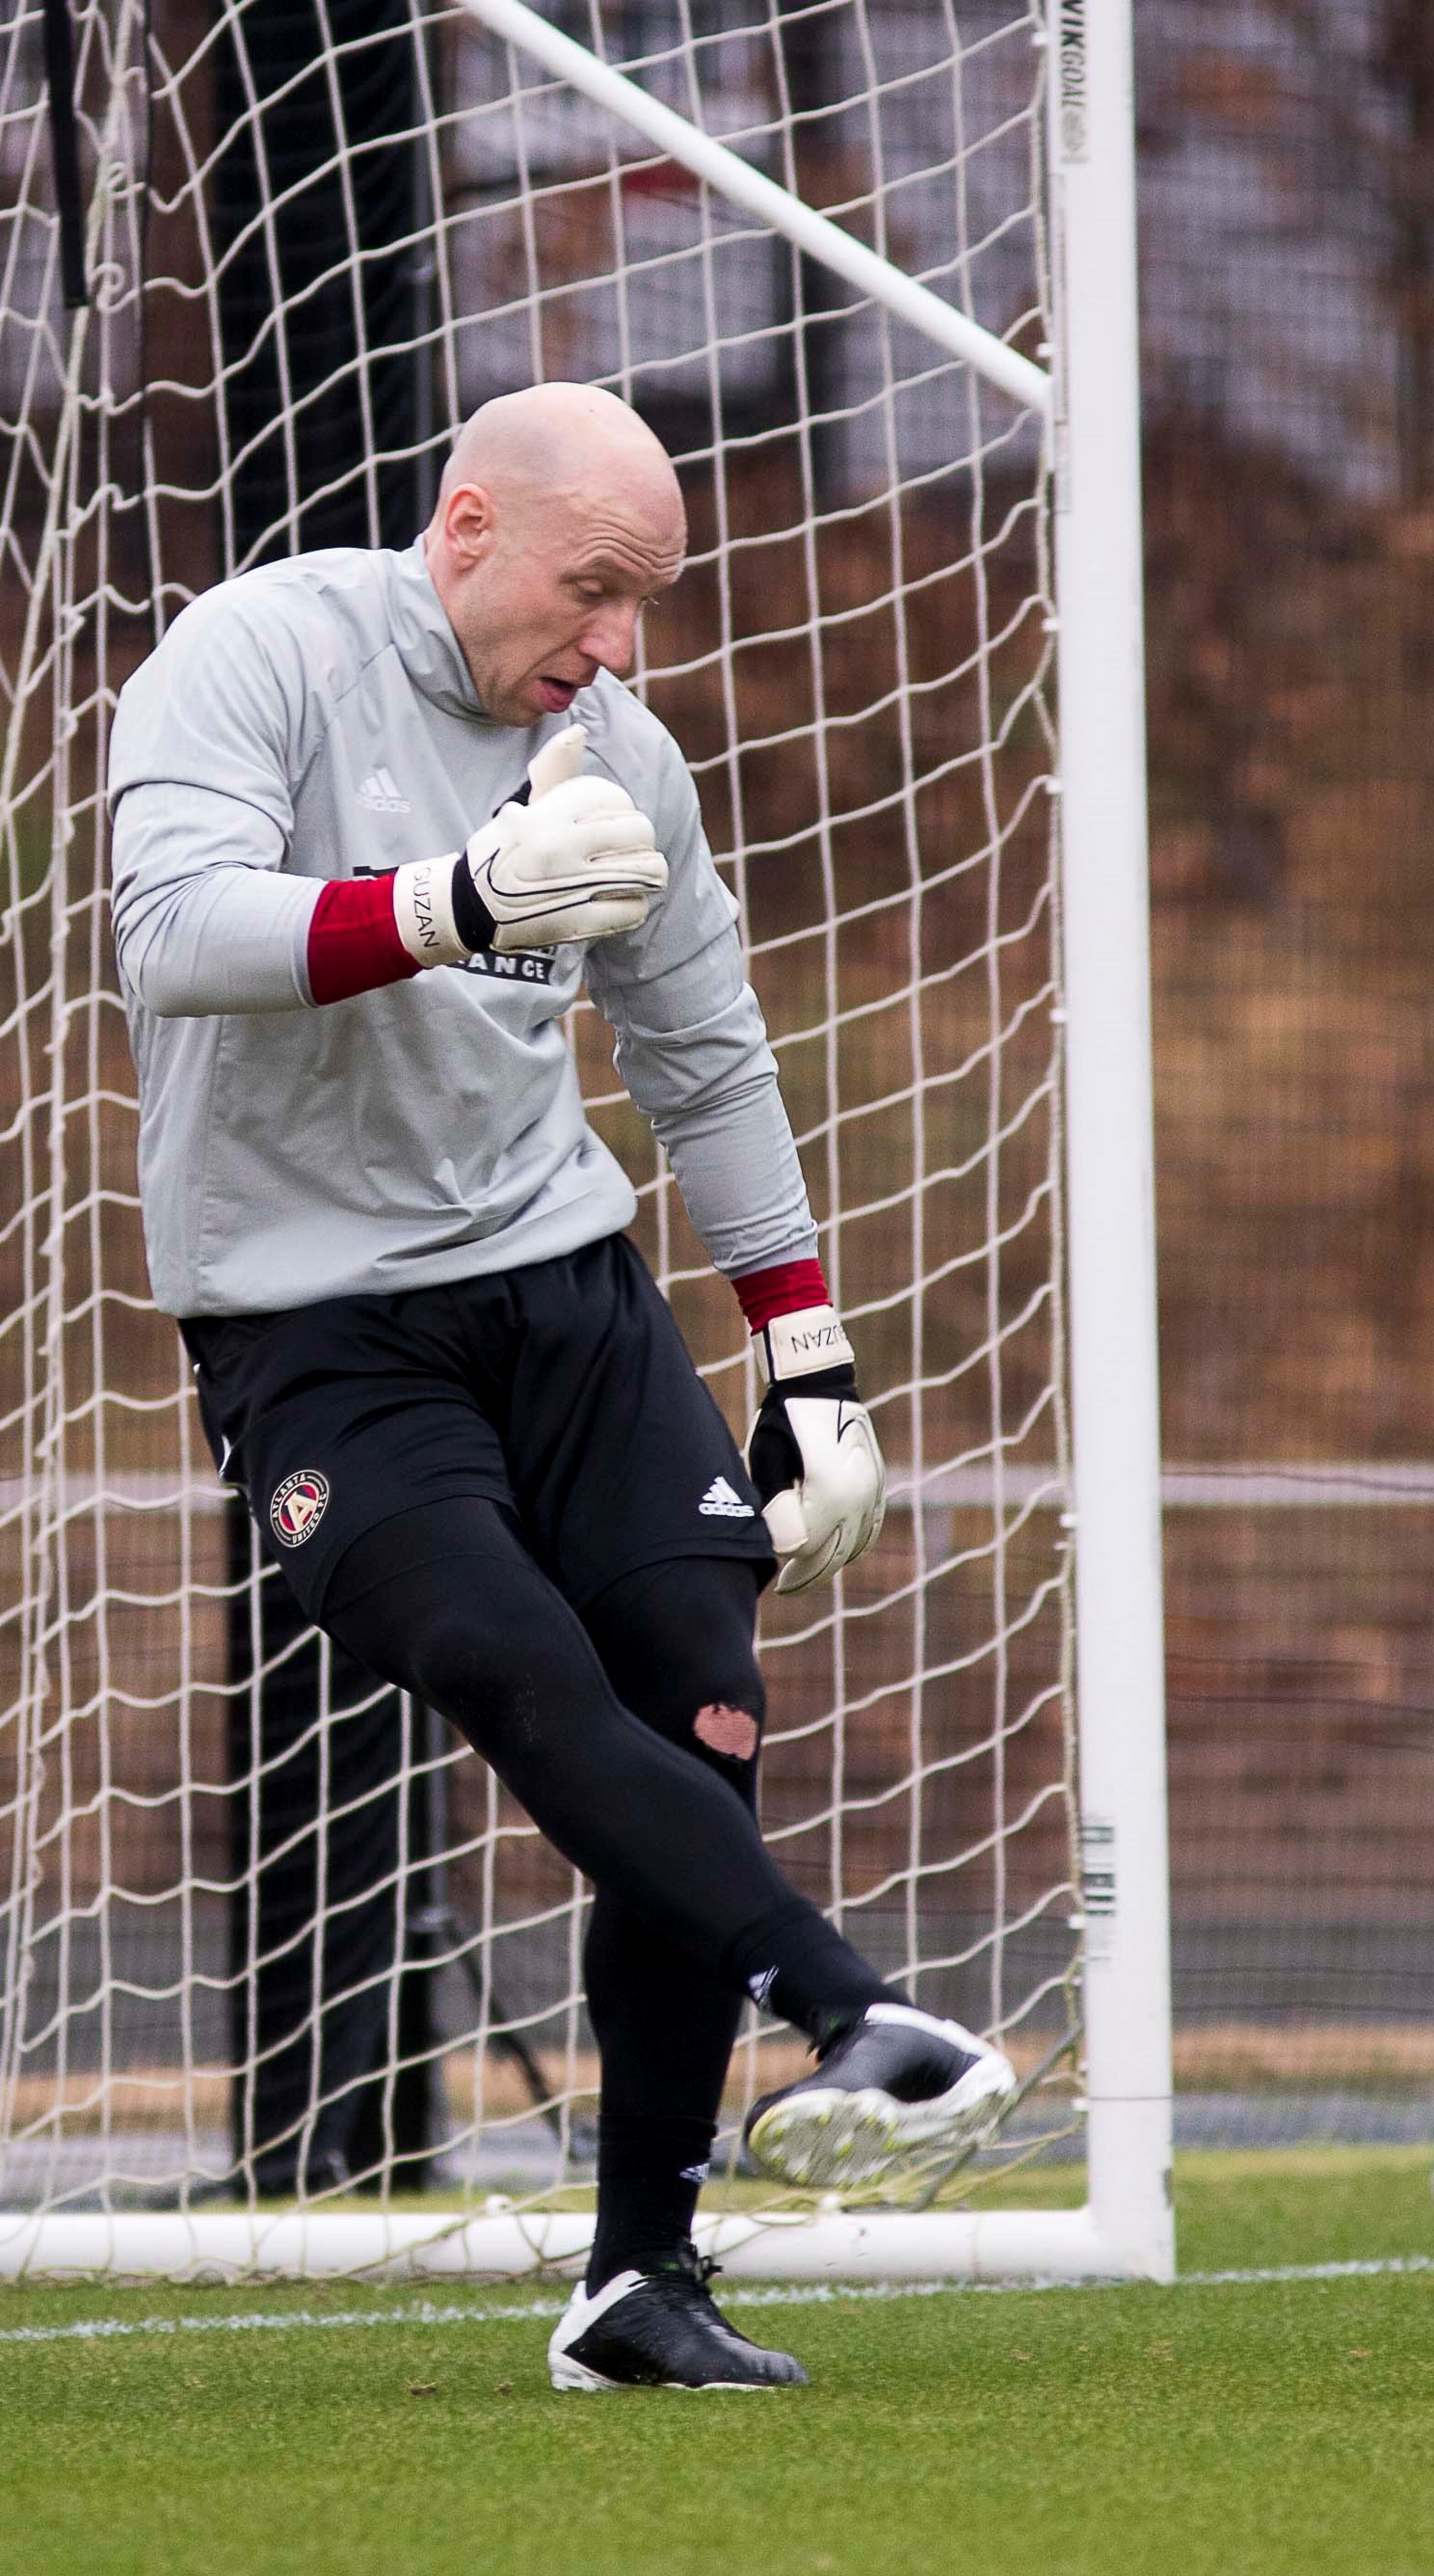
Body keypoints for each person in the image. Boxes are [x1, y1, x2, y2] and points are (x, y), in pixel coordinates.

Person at [108, 382, 1014, 2393]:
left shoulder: (618, 744)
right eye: (591, 592)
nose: (614, 647)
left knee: (698, 1705)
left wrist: (807, 1342)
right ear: (464, 530)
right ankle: (842, 1999)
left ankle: (638, 2282)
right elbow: (172, 936)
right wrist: (453, 901)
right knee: (521, 1670)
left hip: (566, 1294)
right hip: (316, 1328)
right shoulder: (255, 659)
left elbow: (702, 1043)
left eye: (646, 605)